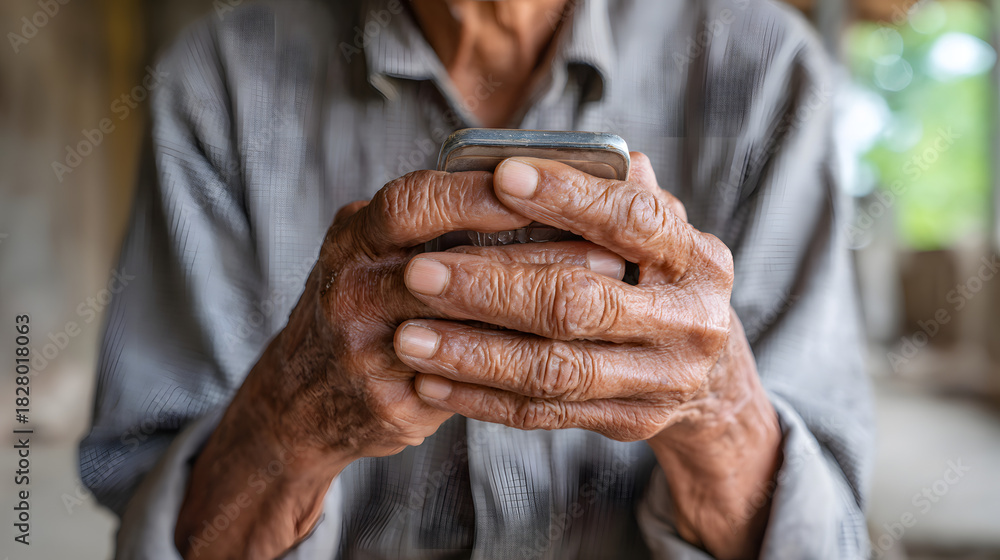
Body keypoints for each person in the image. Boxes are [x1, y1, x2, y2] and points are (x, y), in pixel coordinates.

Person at [79, 0, 874, 558]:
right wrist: (290, 418)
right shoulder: (221, 81)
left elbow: (832, 538)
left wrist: (713, 406)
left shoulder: (766, 69)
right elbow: (163, 535)